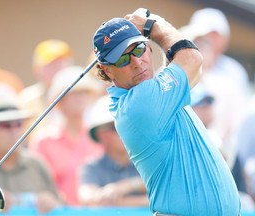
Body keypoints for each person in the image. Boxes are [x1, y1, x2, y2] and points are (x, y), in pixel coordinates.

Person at [91, 8, 240, 215]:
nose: (136, 62)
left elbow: (189, 72)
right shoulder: (140, 103)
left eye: (138, 49)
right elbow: (191, 57)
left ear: (148, 48)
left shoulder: (152, 96)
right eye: (123, 59)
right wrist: (154, 26)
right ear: (107, 69)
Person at [0, 95, 63, 214]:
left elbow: (62, 207)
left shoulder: (37, 164)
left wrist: (52, 203)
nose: (13, 131)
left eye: (18, 124)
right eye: (5, 125)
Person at [29, 65, 104, 206]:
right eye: (74, 93)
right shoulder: (44, 140)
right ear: (59, 101)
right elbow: (39, 185)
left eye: (85, 93)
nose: (80, 98)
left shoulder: (98, 135)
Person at [179, 8, 250, 156]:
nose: (210, 42)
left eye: (215, 36)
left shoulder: (233, 74)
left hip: (221, 153)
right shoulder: (179, 73)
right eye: (202, 39)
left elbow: (238, 124)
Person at [78, 96, 148, 207]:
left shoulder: (148, 162)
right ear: (100, 135)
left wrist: (128, 186)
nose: (125, 132)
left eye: (128, 125)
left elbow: (168, 194)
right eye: (115, 127)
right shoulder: (92, 167)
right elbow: (90, 199)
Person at [19, 39, 74, 119]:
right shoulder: (27, 100)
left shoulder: (82, 95)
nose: (59, 69)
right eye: (53, 65)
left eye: (62, 63)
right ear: (37, 70)